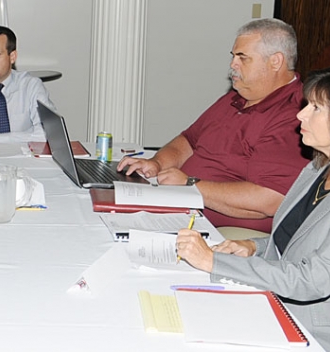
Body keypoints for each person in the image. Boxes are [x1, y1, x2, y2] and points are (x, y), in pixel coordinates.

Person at [177, 65, 330, 351]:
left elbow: (314, 279)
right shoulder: (318, 168)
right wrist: (253, 247)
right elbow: (302, 244)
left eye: (315, 108)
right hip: (290, 309)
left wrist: (214, 262)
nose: (300, 114)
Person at [118, 19, 309, 233]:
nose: (233, 65)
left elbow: (269, 199)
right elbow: (189, 140)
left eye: (242, 58)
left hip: (227, 232)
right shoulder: (235, 98)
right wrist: (157, 163)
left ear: (275, 61)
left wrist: (191, 184)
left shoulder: (294, 115)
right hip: (184, 209)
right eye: (233, 56)